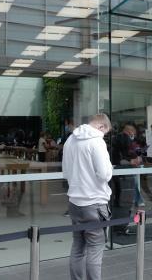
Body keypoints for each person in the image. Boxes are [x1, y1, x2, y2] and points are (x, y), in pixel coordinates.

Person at [63, 114, 113, 280]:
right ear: (101, 126)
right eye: (105, 132)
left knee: (78, 246)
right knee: (95, 248)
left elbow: (66, 172)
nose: (104, 135)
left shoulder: (71, 140)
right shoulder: (97, 141)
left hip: (75, 202)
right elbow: (105, 174)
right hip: (95, 203)